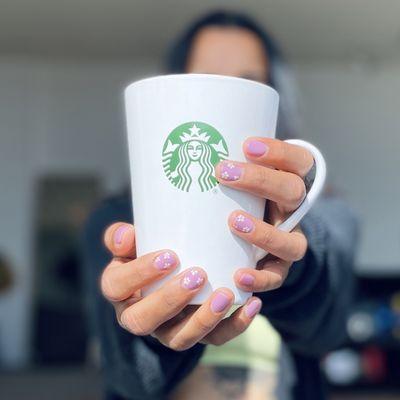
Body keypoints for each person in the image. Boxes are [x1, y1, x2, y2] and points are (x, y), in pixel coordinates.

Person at [83, 10, 358, 400]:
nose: (225, 90)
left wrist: (287, 246)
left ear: (271, 98)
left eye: (247, 82)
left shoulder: (327, 215)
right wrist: (149, 328)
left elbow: (327, 331)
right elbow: (127, 380)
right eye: (205, 79)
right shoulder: (114, 224)